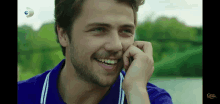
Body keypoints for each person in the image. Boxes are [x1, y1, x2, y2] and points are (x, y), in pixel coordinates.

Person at [17, 0, 173, 104]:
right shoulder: (22, 96)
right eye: (99, 29)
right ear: (63, 34)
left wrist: (136, 92)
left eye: (126, 31)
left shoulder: (150, 99)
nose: (116, 45)